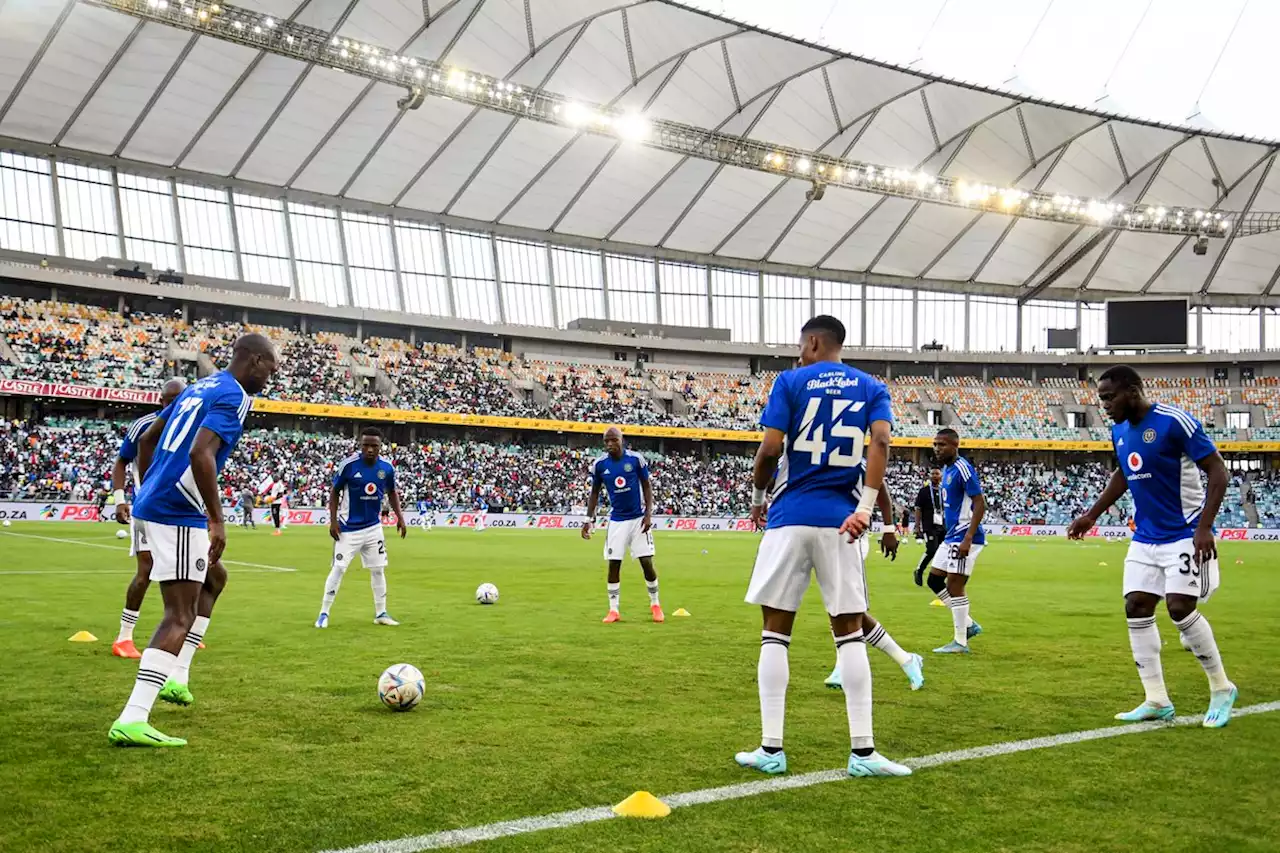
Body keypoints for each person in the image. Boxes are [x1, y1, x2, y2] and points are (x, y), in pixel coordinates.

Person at [734, 315, 911, 779]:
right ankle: (864, 753)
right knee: (849, 632)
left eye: (800, 344)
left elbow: (770, 449)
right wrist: (868, 509)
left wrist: (757, 499)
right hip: (842, 523)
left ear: (813, 342)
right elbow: (881, 441)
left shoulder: (790, 382)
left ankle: (772, 749)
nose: (798, 353)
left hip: (789, 518)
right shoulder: (872, 387)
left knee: (775, 631)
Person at [108, 333, 277, 748]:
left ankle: (177, 676)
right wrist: (216, 521)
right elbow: (201, 453)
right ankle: (133, 717)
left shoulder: (199, 386)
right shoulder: (235, 395)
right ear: (254, 361)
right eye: (270, 369)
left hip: (157, 502)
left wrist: (148, 488)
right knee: (177, 616)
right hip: (178, 511)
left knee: (215, 579)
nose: (271, 379)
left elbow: (147, 439)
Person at [1068, 365, 1235, 727]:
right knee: (1137, 606)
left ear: (1133, 390)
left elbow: (1218, 470)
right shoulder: (1119, 431)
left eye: (1110, 398)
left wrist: (1205, 527)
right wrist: (1092, 514)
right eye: (1102, 400)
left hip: (1185, 533)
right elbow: (1123, 474)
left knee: (1179, 609)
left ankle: (1222, 688)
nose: (1105, 406)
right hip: (1145, 537)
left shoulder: (1175, 422)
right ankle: (1157, 699)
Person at [111, 378, 188, 659]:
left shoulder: (190, 426)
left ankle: (181, 631)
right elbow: (121, 461)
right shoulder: (143, 426)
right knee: (146, 570)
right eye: (169, 401)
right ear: (161, 402)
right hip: (147, 509)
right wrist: (120, 499)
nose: (174, 406)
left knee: (189, 571)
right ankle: (124, 638)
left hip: (180, 509)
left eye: (179, 401)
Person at [823, 485, 924, 692]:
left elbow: (880, 486)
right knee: (840, 606)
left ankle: (844, 666)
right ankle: (905, 659)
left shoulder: (851, 457)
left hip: (849, 536)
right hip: (823, 537)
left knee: (845, 608)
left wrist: (888, 528)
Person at [315, 427, 407, 628]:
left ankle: (381, 612)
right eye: (366, 445)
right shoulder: (348, 465)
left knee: (378, 569)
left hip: (374, 528)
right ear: (360, 445)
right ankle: (323, 613)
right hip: (348, 529)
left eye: (374, 446)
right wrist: (333, 520)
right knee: (338, 568)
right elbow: (334, 493)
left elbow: (392, 493)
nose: (370, 449)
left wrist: (400, 517)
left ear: (380, 446)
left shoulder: (387, 468)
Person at [581, 426, 663, 623]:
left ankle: (655, 604)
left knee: (646, 563)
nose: (610, 444)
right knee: (614, 564)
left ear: (621, 440)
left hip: (637, 519)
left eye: (613, 440)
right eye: (606, 441)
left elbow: (646, 486)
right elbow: (594, 492)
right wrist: (588, 519)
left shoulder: (635, 459)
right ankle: (613, 610)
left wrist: (648, 513)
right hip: (617, 521)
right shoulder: (600, 465)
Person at [929, 428, 985, 654]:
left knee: (955, 585)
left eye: (941, 445)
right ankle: (969, 624)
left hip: (964, 535)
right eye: (935, 444)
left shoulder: (963, 468)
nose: (937, 449)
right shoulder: (947, 469)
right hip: (951, 535)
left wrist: (968, 538)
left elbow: (979, 502)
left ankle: (960, 641)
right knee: (934, 581)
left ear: (955, 446)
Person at [913, 468, 945, 587]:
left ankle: (939, 576)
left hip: (943, 525)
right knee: (932, 549)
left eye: (937, 474)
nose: (935, 476)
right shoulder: (924, 491)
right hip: (929, 526)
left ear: (941, 476)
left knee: (943, 551)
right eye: (932, 474)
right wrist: (917, 526)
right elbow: (918, 509)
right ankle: (919, 570)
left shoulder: (944, 491)